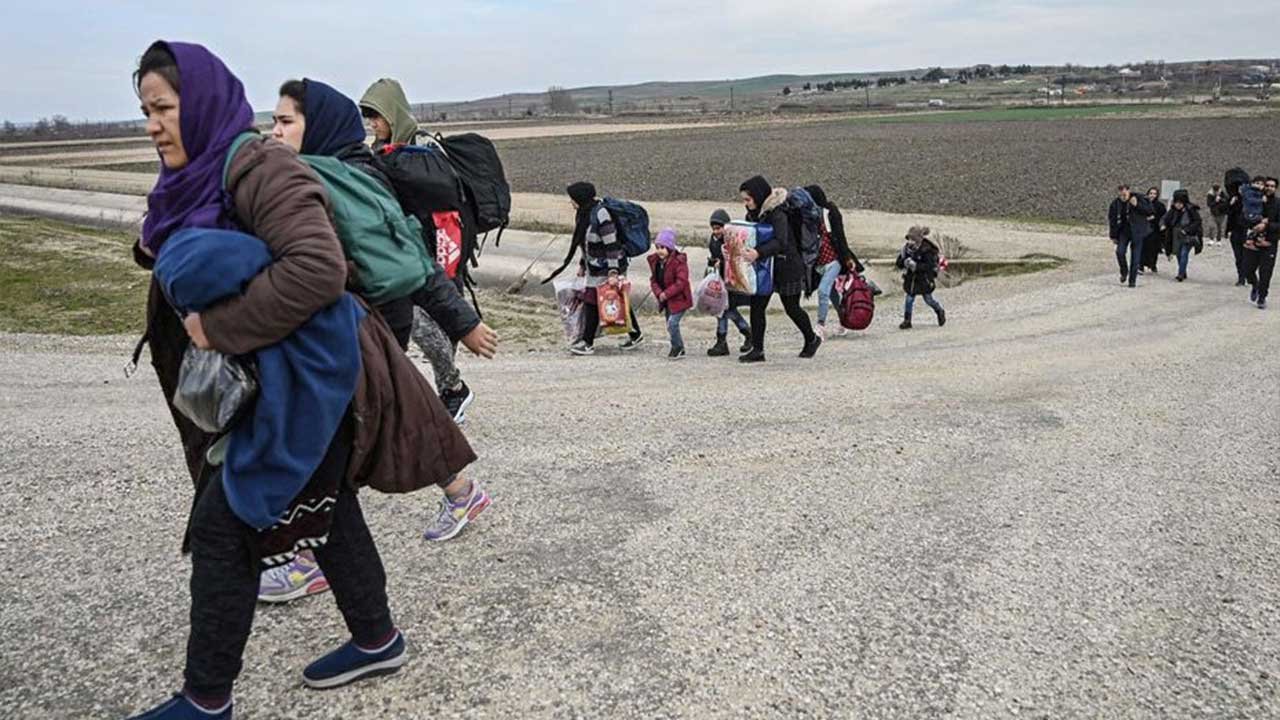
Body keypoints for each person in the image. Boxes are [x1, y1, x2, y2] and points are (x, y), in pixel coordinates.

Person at [126, 41, 477, 719]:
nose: (152, 124)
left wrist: (218, 328)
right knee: (330, 506)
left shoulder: (260, 168)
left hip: (314, 384)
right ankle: (377, 639)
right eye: (144, 110)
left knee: (225, 525)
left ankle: (205, 700)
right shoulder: (199, 175)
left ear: (198, 104)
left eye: (163, 107)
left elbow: (316, 271)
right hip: (289, 385)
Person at [258, 80, 494, 603]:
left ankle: (303, 561)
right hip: (359, 322)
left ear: (315, 126)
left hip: (359, 323)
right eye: (273, 121)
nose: (274, 132)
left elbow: (410, 263)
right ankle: (461, 492)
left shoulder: (337, 180)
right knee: (393, 413)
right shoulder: (343, 173)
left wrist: (461, 323)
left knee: (320, 437)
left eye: (285, 122)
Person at [357, 77, 480, 424]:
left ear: (392, 113)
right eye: (367, 116)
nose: (372, 123)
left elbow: (443, 211)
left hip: (434, 252)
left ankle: (453, 390)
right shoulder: (382, 151)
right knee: (414, 328)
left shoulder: (420, 151)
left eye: (376, 115)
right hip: (404, 252)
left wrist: (445, 267)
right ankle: (438, 394)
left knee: (423, 326)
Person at [737, 175, 821, 363]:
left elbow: (781, 242)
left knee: (791, 307)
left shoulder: (778, 212)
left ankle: (812, 338)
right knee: (757, 306)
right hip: (766, 267)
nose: (745, 203)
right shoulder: (755, 212)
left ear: (757, 196)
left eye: (747, 199)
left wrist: (758, 253)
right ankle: (758, 350)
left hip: (787, 266)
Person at [561, 182, 645, 355]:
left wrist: (613, 272)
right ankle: (635, 335)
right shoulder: (584, 214)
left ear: (580, 198)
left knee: (592, 301)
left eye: (573, 199)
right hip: (595, 266)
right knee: (617, 299)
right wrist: (583, 265)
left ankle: (587, 342)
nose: (571, 202)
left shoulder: (601, 214)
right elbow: (585, 243)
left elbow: (611, 244)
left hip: (609, 266)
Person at [804, 185, 864, 339]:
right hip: (819, 263)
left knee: (823, 290)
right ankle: (844, 322)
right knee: (832, 295)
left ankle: (820, 325)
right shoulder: (809, 215)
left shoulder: (830, 213)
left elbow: (840, 236)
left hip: (833, 260)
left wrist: (848, 258)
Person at [705, 209, 752, 357]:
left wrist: (722, 264)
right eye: (713, 228)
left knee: (725, 311)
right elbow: (715, 257)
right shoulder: (713, 241)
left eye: (718, 228)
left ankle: (724, 341)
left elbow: (735, 262)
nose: (716, 231)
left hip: (731, 282)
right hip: (721, 281)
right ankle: (746, 334)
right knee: (725, 311)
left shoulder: (732, 240)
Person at [648, 228, 692, 360]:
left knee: (672, 323)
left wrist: (666, 294)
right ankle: (678, 346)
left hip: (680, 299)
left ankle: (677, 347)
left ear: (670, 248)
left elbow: (681, 282)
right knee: (669, 324)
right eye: (657, 247)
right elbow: (653, 280)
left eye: (663, 247)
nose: (660, 250)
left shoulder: (679, 262)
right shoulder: (656, 263)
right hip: (667, 300)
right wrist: (659, 293)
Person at [895, 226, 947, 329]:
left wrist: (916, 266)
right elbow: (898, 262)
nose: (910, 242)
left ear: (918, 239)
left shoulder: (927, 250)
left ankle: (939, 311)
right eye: (909, 239)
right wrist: (904, 263)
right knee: (909, 299)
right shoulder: (906, 249)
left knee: (928, 299)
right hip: (911, 279)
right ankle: (907, 320)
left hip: (924, 279)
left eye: (912, 239)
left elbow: (929, 266)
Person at [1108, 184, 1153, 288]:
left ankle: (1132, 281)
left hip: (1138, 232)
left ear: (1129, 191)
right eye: (1121, 193)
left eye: (1125, 192)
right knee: (1120, 252)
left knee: (1135, 258)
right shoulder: (1115, 204)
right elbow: (1112, 221)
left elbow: (1150, 211)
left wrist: (1137, 205)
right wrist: (1113, 236)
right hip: (1124, 232)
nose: (1123, 195)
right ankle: (1124, 271)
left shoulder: (1139, 198)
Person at [1245, 177, 1277, 308]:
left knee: (1266, 273)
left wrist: (1267, 224)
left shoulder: (1278, 204)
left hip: (1269, 243)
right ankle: (1255, 285)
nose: (1269, 188)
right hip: (1253, 242)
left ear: (1276, 188)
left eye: (1272, 186)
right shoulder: (1255, 200)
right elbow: (1244, 217)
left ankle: (1262, 297)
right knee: (1247, 270)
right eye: (1267, 185)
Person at [1160, 189, 1203, 282]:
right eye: (1176, 203)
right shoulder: (1172, 211)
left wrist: (1187, 230)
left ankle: (1180, 274)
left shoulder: (1191, 210)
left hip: (1188, 236)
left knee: (1184, 253)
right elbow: (1164, 218)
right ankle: (1183, 271)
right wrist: (1162, 225)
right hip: (1176, 236)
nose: (1178, 205)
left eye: (1180, 203)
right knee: (1179, 254)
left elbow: (1197, 222)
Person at [1141, 187, 1167, 274]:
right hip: (1143, 229)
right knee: (1142, 248)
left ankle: (1152, 264)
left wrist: (1155, 219)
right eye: (1151, 193)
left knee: (1154, 249)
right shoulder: (1142, 203)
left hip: (1155, 230)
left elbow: (1163, 217)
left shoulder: (1160, 206)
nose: (1152, 195)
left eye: (1154, 194)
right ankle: (1141, 265)